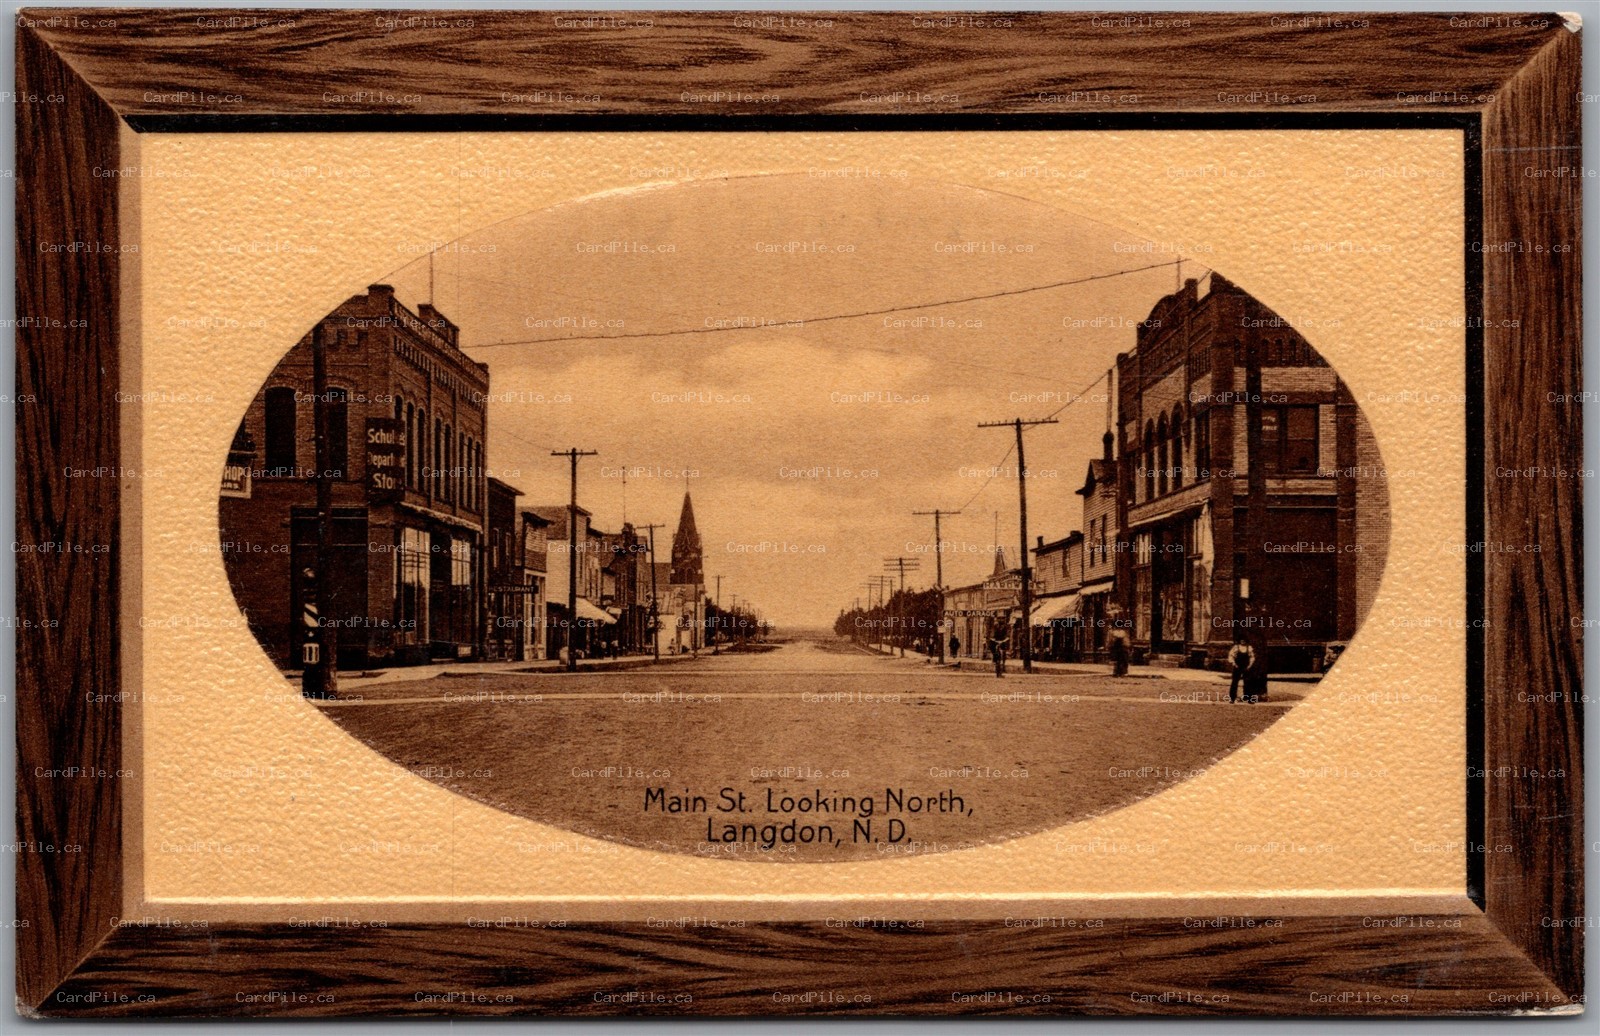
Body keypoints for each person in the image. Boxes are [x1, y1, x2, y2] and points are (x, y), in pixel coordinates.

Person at [1228, 638, 1255, 703]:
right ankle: (1232, 698)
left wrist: (1249, 665)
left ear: (1246, 641)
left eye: (1244, 640)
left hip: (1246, 667)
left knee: (1247, 682)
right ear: (1239, 640)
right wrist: (1234, 664)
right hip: (1237, 666)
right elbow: (1231, 656)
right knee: (1234, 682)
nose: (1243, 641)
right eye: (1241, 640)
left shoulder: (1249, 648)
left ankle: (1249, 698)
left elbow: (1252, 657)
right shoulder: (1236, 647)